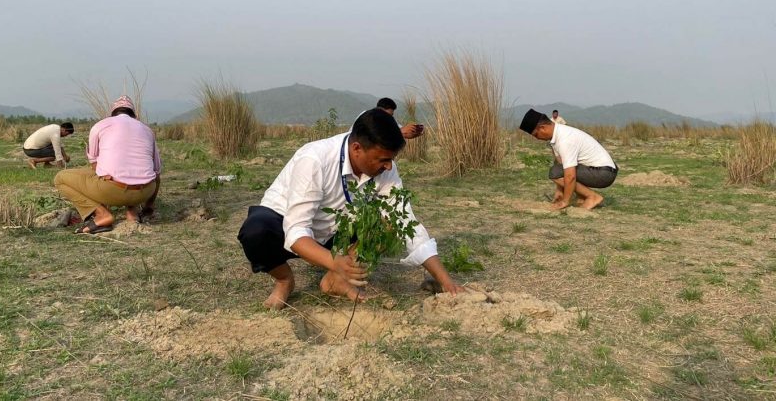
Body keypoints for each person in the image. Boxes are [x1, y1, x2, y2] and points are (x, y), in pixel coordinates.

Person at [238, 108, 463, 309]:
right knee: (255, 232)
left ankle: (335, 280)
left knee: (387, 222)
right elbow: (297, 231)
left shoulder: (386, 168)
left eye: (392, 160)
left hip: (336, 230)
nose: (388, 166)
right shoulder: (315, 159)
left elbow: (405, 222)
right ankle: (284, 281)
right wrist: (334, 261)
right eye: (383, 159)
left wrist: (446, 281)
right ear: (357, 149)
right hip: (283, 225)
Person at [54, 96, 161, 234]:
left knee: (60, 178)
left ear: (112, 114)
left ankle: (101, 214)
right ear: (135, 115)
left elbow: (94, 165)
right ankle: (132, 212)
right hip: (145, 192)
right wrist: (149, 207)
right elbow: (157, 172)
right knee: (136, 171)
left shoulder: (101, 125)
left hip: (112, 191)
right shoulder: (147, 130)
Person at [519, 109, 617, 210]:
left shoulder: (565, 139)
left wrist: (565, 202)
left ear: (542, 128)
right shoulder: (558, 135)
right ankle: (582, 197)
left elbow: (570, 175)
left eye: (536, 134)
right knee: (557, 170)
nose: (537, 138)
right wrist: (560, 191)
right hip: (598, 170)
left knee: (554, 172)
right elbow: (561, 165)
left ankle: (592, 197)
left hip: (604, 173)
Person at [355, 97, 424, 139]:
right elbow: (371, 135)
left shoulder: (389, 121)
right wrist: (400, 132)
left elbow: (400, 130)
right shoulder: (366, 116)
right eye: (387, 115)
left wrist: (411, 132)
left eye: (391, 115)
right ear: (379, 110)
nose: (389, 117)